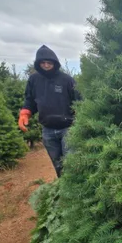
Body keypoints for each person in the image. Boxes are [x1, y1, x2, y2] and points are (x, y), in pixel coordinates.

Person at [18, 45, 81, 177]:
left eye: (49, 63)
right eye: (43, 62)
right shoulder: (34, 80)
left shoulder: (67, 80)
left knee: (70, 162)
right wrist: (25, 113)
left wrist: (79, 121)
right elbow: (30, 100)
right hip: (47, 130)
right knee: (57, 164)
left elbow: (79, 102)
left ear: (54, 63)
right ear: (38, 63)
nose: (46, 65)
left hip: (68, 128)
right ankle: (62, 188)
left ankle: (74, 187)